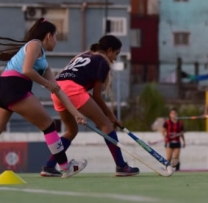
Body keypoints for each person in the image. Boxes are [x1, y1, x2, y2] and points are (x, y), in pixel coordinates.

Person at [0, 19, 87, 179]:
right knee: (48, 125)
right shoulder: (35, 44)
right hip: (14, 86)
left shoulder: (44, 64)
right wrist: (47, 83)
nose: (56, 41)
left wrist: (75, 113)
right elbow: (26, 70)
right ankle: (65, 167)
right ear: (48, 36)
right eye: (56, 37)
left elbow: (58, 90)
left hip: (1, 88)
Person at [41, 35, 139, 177]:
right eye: (116, 54)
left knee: (71, 130)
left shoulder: (84, 55)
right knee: (106, 126)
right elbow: (97, 96)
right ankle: (121, 166)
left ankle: (49, 166)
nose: (116, 58)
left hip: (57, 90)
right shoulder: (102, 62)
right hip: (72, 90)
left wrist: (108, 114)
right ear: (109, 50)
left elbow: (91, 95)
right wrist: (110, 116)